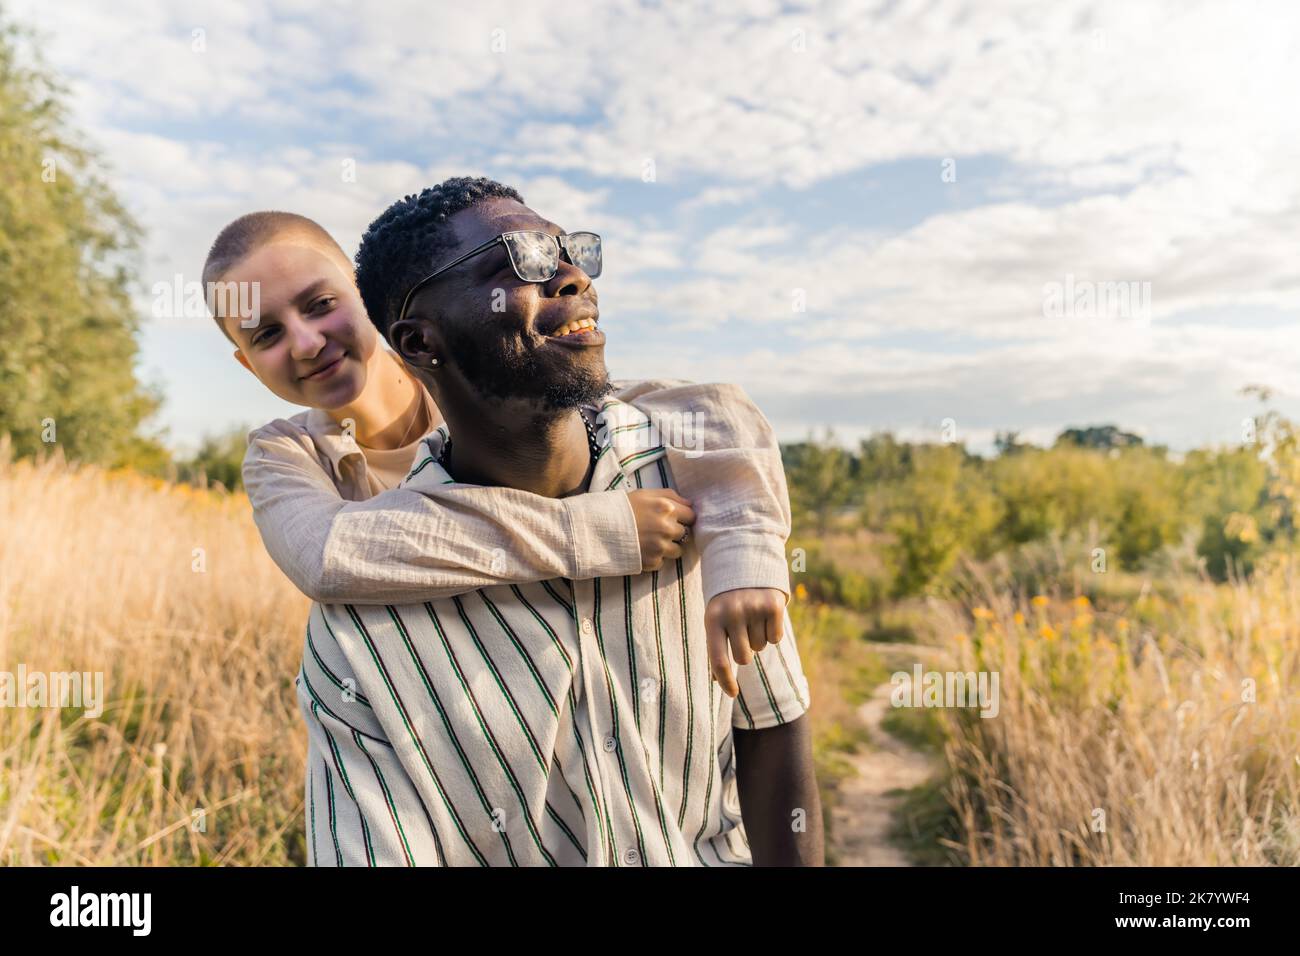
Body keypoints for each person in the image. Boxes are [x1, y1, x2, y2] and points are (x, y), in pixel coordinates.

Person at [285, 177, 822, 865]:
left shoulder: (706, 485)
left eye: (570, 252)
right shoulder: (362, 621)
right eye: (521, 261)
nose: (569, 276)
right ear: (421, 342)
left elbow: (771, 723)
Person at [204, 194, 794, 699]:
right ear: (246, 364)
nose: (307, 343)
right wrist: (592, 531)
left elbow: (702, 408)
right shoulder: (283, 456)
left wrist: (747, 546)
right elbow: (327, 556)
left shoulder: (475, 378)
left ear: (367, 298)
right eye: (268, 335)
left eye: (320, 305)